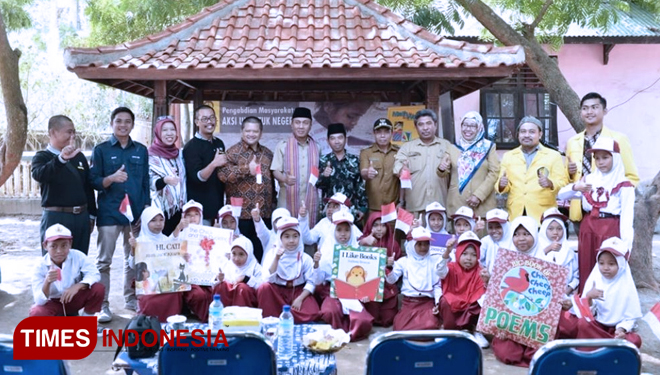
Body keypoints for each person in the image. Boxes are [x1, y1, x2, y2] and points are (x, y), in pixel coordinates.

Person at [90, 107, 150, 322]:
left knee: (132, 259)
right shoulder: (101, 150)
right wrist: (111, 178)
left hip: (134, 214)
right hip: (109, 213)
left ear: (132, 125)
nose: (123, 125)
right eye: (118, 121)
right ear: (112, 123)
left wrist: (144, 209)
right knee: (103, 261)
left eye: (127, 121)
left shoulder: (141, 150)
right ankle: (102, 305)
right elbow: (94, 181)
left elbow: (145, 182)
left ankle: (131, 299)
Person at [558, 137, 634, 293]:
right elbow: (561, 195)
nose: (601, 162)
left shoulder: (623, 184)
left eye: (605, 157)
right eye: (597, 158)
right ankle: (586, 302)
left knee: (607, 265)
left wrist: (626, 246)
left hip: (610, 228)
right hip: (588, 227)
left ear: (616, 158)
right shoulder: (589, 180)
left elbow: (627, 217)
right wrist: (576, 186)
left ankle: (607, 304)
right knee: (586, 262)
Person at [565, 93, 639, 226]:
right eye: (585, 108)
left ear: (605, 111)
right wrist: (570, 173)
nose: (589, 112)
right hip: (581, 210)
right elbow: (568, 180)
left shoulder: (618, 139)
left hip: (610, 213)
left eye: (594, 107)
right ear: (580, 112)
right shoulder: (572, 142)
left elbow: (632, 177)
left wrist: (616, 200)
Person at [32, 115, 96, 254]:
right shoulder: (42, 157)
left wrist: (91, 215)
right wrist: (61, 159)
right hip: (56, 217)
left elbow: (87, 187)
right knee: (55, 263)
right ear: (52, 133)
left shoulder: (79, 157)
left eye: (74, 132)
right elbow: (40, 175)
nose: (72, 135)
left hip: (81, 217)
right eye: (69, 131)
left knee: (80, 260)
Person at [218, 116, 275, 262]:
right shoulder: (232, 152)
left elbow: (272, 181)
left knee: (263, 253)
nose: (251, 134)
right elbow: (222, 175)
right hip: (241, 215)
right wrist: (245, 169)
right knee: (242, 253)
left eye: (255, 131)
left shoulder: (268, 154)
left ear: (261, 133)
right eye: (248, 131)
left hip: (264, 214)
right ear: (242, 131)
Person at [489, 216, 542, 367]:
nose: (521, 239)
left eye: (526, 234)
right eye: (517, 234)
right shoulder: (505, 259)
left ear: (534, 235)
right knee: (508, 354)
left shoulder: (546, 261)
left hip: (535, 322)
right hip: (511, 321)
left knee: (538, 353)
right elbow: (497, 293)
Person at [313, 211, 374, 341]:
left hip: (353, 293)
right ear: (333, 231)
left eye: (347, 230)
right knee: (330, 312)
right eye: (339, 230)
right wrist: (317, 264)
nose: (343, 234)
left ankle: (350, 333)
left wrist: (365, 292)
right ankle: (338, 334)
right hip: (331, 291)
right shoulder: (325, 250)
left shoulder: (358, 251)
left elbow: (364, 280)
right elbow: (318, 280)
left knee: (362, 321)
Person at [572, 237, 642, 347]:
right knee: (583, 324)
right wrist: (589, 297)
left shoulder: (626, 285)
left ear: (621, 264)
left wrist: (621, 329)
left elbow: (630, 316)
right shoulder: (595, 279)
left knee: (635, 340)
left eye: (611, 264)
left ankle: (607, 344)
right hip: (597, 328)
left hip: (614, 331)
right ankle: (603, 347)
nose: (605, 268)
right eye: (601, 263)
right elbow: (586, 314)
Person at [496, 116, 568, 223]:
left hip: (543, 214)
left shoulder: (553, 155)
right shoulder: (509, 156)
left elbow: (563, 183)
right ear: (518, 134)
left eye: (532, 132)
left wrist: (550, 183)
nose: (527, 135)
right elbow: (502, 185)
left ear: (540, 134)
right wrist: (502, 184)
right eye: (523, 132)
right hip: (516, 213)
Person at [29, 224, 104, 316]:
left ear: (70, 244)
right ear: (45, 246)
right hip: (53, 303)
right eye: (53, 246)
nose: (59, 251)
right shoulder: (40, 266)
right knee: (37, 312)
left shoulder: (78, 256)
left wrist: (78, 286)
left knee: (98, 289)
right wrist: (47, 282)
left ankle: (86, 322)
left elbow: (94, 274)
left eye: (64, 245)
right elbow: (39, 301)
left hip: (73, 298)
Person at [257, 217, 320, 323]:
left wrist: (300, 299)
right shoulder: (271, 254)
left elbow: (312, 281)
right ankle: (282, 316)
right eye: (287, 237)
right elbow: (267, 279)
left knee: (313, 312)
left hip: (298, 292)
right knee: (264, 288)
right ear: (280, 238)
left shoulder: (305, 258)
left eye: (295, 236)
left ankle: (281, 315)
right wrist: (276, 259)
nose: (291, 241)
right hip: (277, 293)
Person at [440, 111, 499, 217]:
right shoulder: (453, 148)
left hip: (482, 205)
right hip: (458, 203)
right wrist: (441, 168)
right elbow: (443, 173)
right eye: (465, 125)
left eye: (472, 126)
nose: (468, 129)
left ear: (479, 128)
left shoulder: (488, 147)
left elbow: (494, 173)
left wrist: (479, 195)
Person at [436, 231, 489, 348]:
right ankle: (447, 330)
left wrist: (487, 281)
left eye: (473, 255)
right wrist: (447, 252)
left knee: (484, 301)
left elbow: (484, 291)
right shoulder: (451, 266)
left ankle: (476, 331)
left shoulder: (480, 271)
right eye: (464, 254)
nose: (469, 258)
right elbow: (439, 271)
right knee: (444, 301)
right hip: (454, 302)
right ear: (458, 252)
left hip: (470, 305)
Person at [129, 206, 182, 322]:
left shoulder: (165, 240)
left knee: (175, 294)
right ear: (145, 222)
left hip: (165, 282)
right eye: (153, 220)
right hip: (148, 284)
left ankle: (169, 322)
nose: (158, 224)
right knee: (148, 299)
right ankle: (148, 322)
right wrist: (134, 250)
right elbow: (132, 265)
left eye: (161, 220)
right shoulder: (140, 241)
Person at [393, 109, 452, 214]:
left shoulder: (446, 146)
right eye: (421, 124)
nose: (425, 128)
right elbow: (397, 166)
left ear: (435, 125)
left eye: (429, 123)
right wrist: (402, 170)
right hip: (415, 207)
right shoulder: (407, 147)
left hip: (439, 206)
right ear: (416, 127)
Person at [271, 107, 321, 226]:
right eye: (297, 122)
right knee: (285, 234)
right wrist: (284, 179)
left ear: (310, 125)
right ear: (291, 124)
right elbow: (275, 170)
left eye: (305, 123)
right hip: (287, 201)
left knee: (309, 236)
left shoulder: (317, 147)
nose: (301, 126)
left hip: (310, 201)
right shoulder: (282, 146)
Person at [386, 227, 442, 330]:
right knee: (400, 328)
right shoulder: (404, 262)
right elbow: (391, 280)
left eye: (426, 244)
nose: (423, 247)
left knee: (431, 325)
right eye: (419, 244)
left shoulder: (433, 261)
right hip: (409, 303)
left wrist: (438, 303)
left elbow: (437, 286)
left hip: (426, 303)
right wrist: (389, 267)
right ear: (412, 245)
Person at [183, 105, 227, 226]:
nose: (209, 122)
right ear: (197, 122)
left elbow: (223, 169)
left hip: (218, 208)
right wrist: (214, 164)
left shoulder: (219, 143)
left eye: (212, 118)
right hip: (200, 212)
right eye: (205, 119)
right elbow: (198, 178)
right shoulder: (191, 147)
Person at [316, 123, 367, 222]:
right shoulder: (322, 160)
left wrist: (362, 208)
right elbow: (318, 185)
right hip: (328, 212)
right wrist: (324, 176)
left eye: (340, 138)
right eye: (333, 138)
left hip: (350, 211)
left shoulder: (354, 160)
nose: (337, 141)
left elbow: (360, 186)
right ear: (328, 141)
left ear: (345, 139)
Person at [358, 211, 401, 327]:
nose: (379, 229)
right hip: (368, 286)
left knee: (388, 319)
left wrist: (392, 265)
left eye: (382, 225)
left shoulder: (393, 244)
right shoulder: (363, 241)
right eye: (375, 225)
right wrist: (364, 244)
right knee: (372, 316)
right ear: (369, 226)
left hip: (387, 288)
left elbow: (400, 268)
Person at [148, 116, 186, 236]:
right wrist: (165, 180)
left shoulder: (180, 154)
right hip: (161, 212)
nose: (169, 133)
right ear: (158, 133)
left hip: (180, 209)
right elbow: (150, 182)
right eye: (164, 130)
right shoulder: (150, 155)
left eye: (172, 129)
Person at [359, 118, 400, 213]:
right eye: (379, 132)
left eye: (386, 132)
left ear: (392, 133)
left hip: (393, 206)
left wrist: (402, 202)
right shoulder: (366, 152)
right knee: (373, 228)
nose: (382, 136)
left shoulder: (399, 152)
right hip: (372, 206)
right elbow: (363, 172)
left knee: (392, 228)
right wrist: (367, 173)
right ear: (374, 133)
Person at [537, 208, 579, 296]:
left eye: (559, 229)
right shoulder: (537, 250)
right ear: (544, 230)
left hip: (565, 295)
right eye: (551, 229)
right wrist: (548, 249)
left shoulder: (570, 253)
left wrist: (567, 291)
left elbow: (576, 276)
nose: (555, 232)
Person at [212, 236, 264, 307]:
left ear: (249, 254)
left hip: (246, 305)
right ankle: (222, 313)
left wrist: (246, 279)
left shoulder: (255, 267)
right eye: (234, 254)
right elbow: (212, 285)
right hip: (228, 301)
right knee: (221, 286)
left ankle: (241, 316)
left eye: (241, 254)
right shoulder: (227, 265)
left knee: (242, 287)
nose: (236, 259)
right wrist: (218, 279)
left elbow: (261, 287)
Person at [480, 208, 510, 273]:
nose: (494, 231)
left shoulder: (512, 242)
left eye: (498, 227)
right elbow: (478, 257)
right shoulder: (485, 241)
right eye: (490, 227)